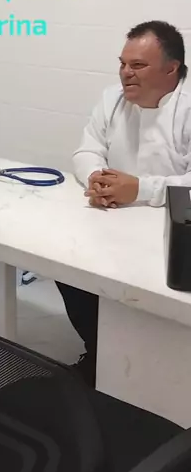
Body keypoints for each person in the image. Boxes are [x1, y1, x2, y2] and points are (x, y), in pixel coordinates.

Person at [57, 20, 191, 386]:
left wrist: (141, 189)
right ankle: (98, 352)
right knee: (65, 264)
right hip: (113, 218)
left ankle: (151, 373)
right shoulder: (111, 99)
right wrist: (96, 177)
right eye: (123, 64)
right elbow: (86, 149)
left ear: (171, 68)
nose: (125, 73)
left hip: (170, 233)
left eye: (138, 65)